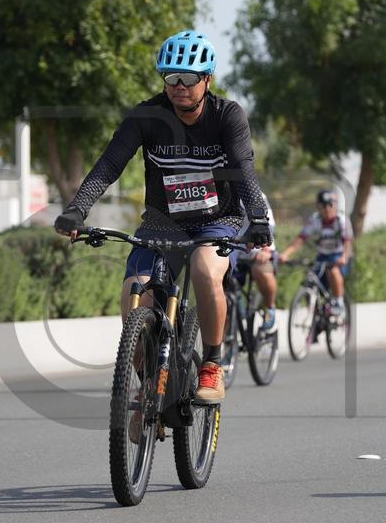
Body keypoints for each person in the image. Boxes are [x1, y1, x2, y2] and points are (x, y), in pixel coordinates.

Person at [55, 30, 271, 407]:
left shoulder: (227, 115)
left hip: (217, 220)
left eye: (188, 78)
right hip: (161, 224)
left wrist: (256, 216)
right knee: (134, 295)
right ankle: (148, 387)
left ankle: (212, 365)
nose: (179, 87)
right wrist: (78, 208)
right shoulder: (147, 116)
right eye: (171, 78)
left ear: (207, 79)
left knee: (204, 270)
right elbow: (110, 164)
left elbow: (242, 167)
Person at [279, 190, 353, 315]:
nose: (327, 209)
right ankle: (315, 312)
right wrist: (285, 254)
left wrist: (344, 257)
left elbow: (348, 243)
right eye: (322, 206)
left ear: (335, 205)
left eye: (330, 205)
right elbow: (300, 239)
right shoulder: (315, 220)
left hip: (338, 255)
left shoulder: (341, 220)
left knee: (333, 270)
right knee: (310, 280)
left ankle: (338, 302)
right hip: (322, 256)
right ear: (318, 207)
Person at [235, 193, 278, 331]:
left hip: (258, 248)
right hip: (233, 251)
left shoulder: (252, 192)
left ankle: (270, 308)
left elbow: (269, 223)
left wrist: (265, 249)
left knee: (262, 269)